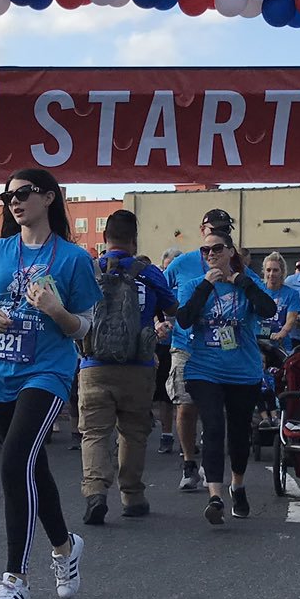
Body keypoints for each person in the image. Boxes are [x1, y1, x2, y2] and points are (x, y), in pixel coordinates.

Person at [0, 167, 98, 599]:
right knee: (32, 467)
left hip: (46, 370)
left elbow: (84, 327)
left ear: (49, 197)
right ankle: (65, 546)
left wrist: (56, 310)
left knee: (15, 460)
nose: (14, 202)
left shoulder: (73, 259)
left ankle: (15, 579)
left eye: (23, 193)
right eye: (8, 197)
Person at [76, 209, 175, 525]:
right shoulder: (149, 272)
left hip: (94, 365)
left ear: (105, 238)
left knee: (95, 432)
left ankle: (95, 493)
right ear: (135, 240)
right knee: (133, 432)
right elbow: (173, 308)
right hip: (138, 365)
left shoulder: (90, 270)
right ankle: (132, 496)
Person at [175, 223, 277, 525]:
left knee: (239, 432)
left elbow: (268, 310)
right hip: (204, 369)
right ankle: (215, 497)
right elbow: (184, 319)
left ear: (230, 252)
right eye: (205, 250)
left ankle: (238, 485)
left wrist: (241, 282)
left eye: (217, 249)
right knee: (213, 426)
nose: (210, 254)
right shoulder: (194, 285)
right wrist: (207, 286)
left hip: (242, 371)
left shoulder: (247, 281)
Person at [162, 210, 238, 492]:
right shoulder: (183, 262)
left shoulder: (234, 261)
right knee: (185, 407)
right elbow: (159, 290)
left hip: (221, 347)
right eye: (213, 228)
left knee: (214, 410)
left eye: (224, 229)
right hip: (186, 345)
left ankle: (210, 459)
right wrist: (160, 321)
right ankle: (188, 462)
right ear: (202, 229)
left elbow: (255, 294)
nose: (217, 233)